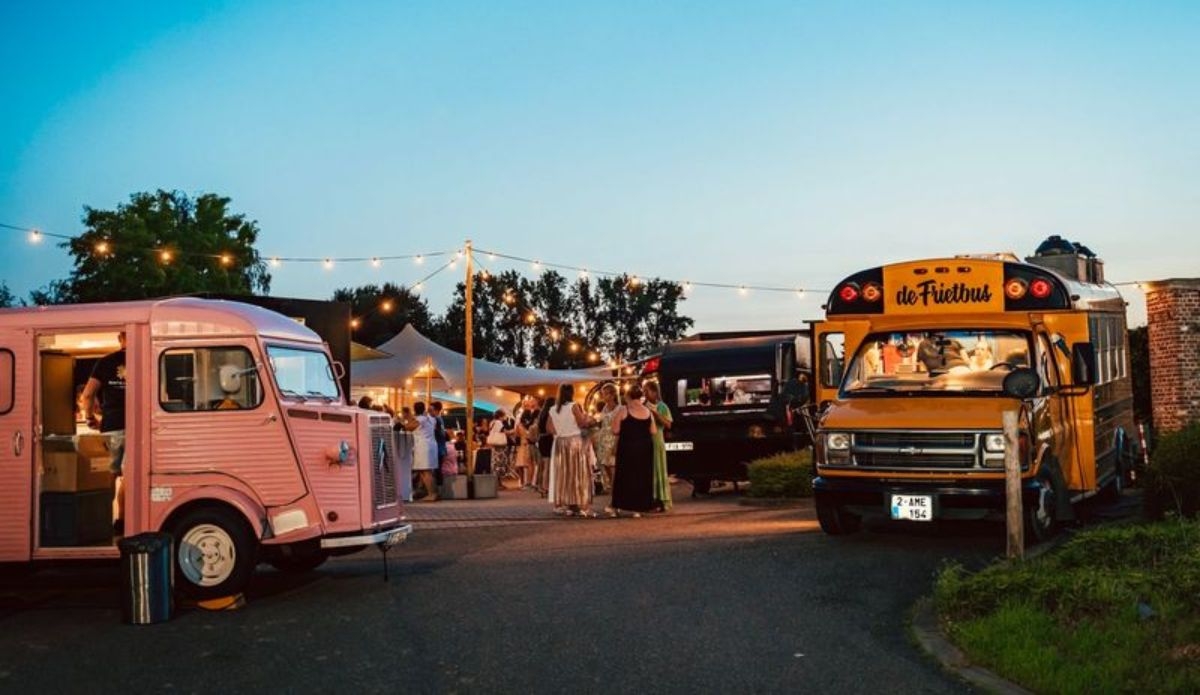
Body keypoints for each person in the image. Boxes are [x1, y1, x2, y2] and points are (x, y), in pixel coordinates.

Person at [78, 331, 126, 535]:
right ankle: (123, 520)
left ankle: (103, 520)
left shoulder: (106, 362)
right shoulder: (146, 355)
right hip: (139, 427)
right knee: (130, 477)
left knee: (109, 474)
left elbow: (88, 394)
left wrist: (89, 417)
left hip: (112, 426)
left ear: (120, 339)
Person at [546, 384, 596, 517]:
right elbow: (581, 423)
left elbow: (549, 428)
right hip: (574, 442)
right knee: (579, 473)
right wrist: (589, 420)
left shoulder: (553, 409)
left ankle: (567, 504)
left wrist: (560, 433)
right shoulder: (573, 406)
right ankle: (583, 506)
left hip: (560, 443)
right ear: (572, 393)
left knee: (564, 474)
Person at [607, 383, 656, 517]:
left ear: (628, 396)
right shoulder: (648, 412)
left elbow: (615, 430)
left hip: (628, 447)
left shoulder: (624, 410)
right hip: (645, 447)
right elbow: (653, 430)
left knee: (624, 476)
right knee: (641, 476)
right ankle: (638, 508)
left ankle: (618, 506)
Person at [643, 380, 674, 512]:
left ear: (655, 392)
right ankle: (650, 499)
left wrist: (654, 413)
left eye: (647, 391)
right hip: (645, 441)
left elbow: (668, 424)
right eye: (643, 391)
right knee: (649, 470)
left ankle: (661, 499)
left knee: (659, 469)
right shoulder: (643, 406)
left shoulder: (662, 406)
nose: (645, 393)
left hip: (658, 440)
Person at [403, 401, 439, 502]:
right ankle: (432, 493)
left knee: (426, 471)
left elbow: (410, 427)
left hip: (424, 447)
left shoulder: (421, 419)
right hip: (429, 446)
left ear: (415, 409)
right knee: (425, 471)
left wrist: (402, 424)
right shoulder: (430, 418)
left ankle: (432, 494)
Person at [590, 383, 621, 493]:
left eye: (606, 394)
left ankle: (616, 492)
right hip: (603, 441)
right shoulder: (605, 408)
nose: (604, 397)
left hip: (613, 440)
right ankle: (612, 490)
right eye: (603, 394)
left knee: (613, 468)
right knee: (605, 467)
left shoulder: (619, 409)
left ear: (613, 395)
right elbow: (600, 422)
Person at [535, 396, 556, 495]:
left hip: (541, 439)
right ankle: (545, 486)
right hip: (548, 439)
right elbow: (550, 429)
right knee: (548, 464)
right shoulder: (550, 414)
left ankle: (541, 485)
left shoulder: (541, 414)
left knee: (543, 464)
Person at [430, 401, 449, 486]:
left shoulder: (436, 420)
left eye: (431, 410)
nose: (430, 412)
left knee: (437, 470)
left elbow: (441, 434)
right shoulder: (439, 419)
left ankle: (438, 491)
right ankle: (438, 491)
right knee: (438, 470)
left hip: (438, 449)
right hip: (440, 448)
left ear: (436, 410)